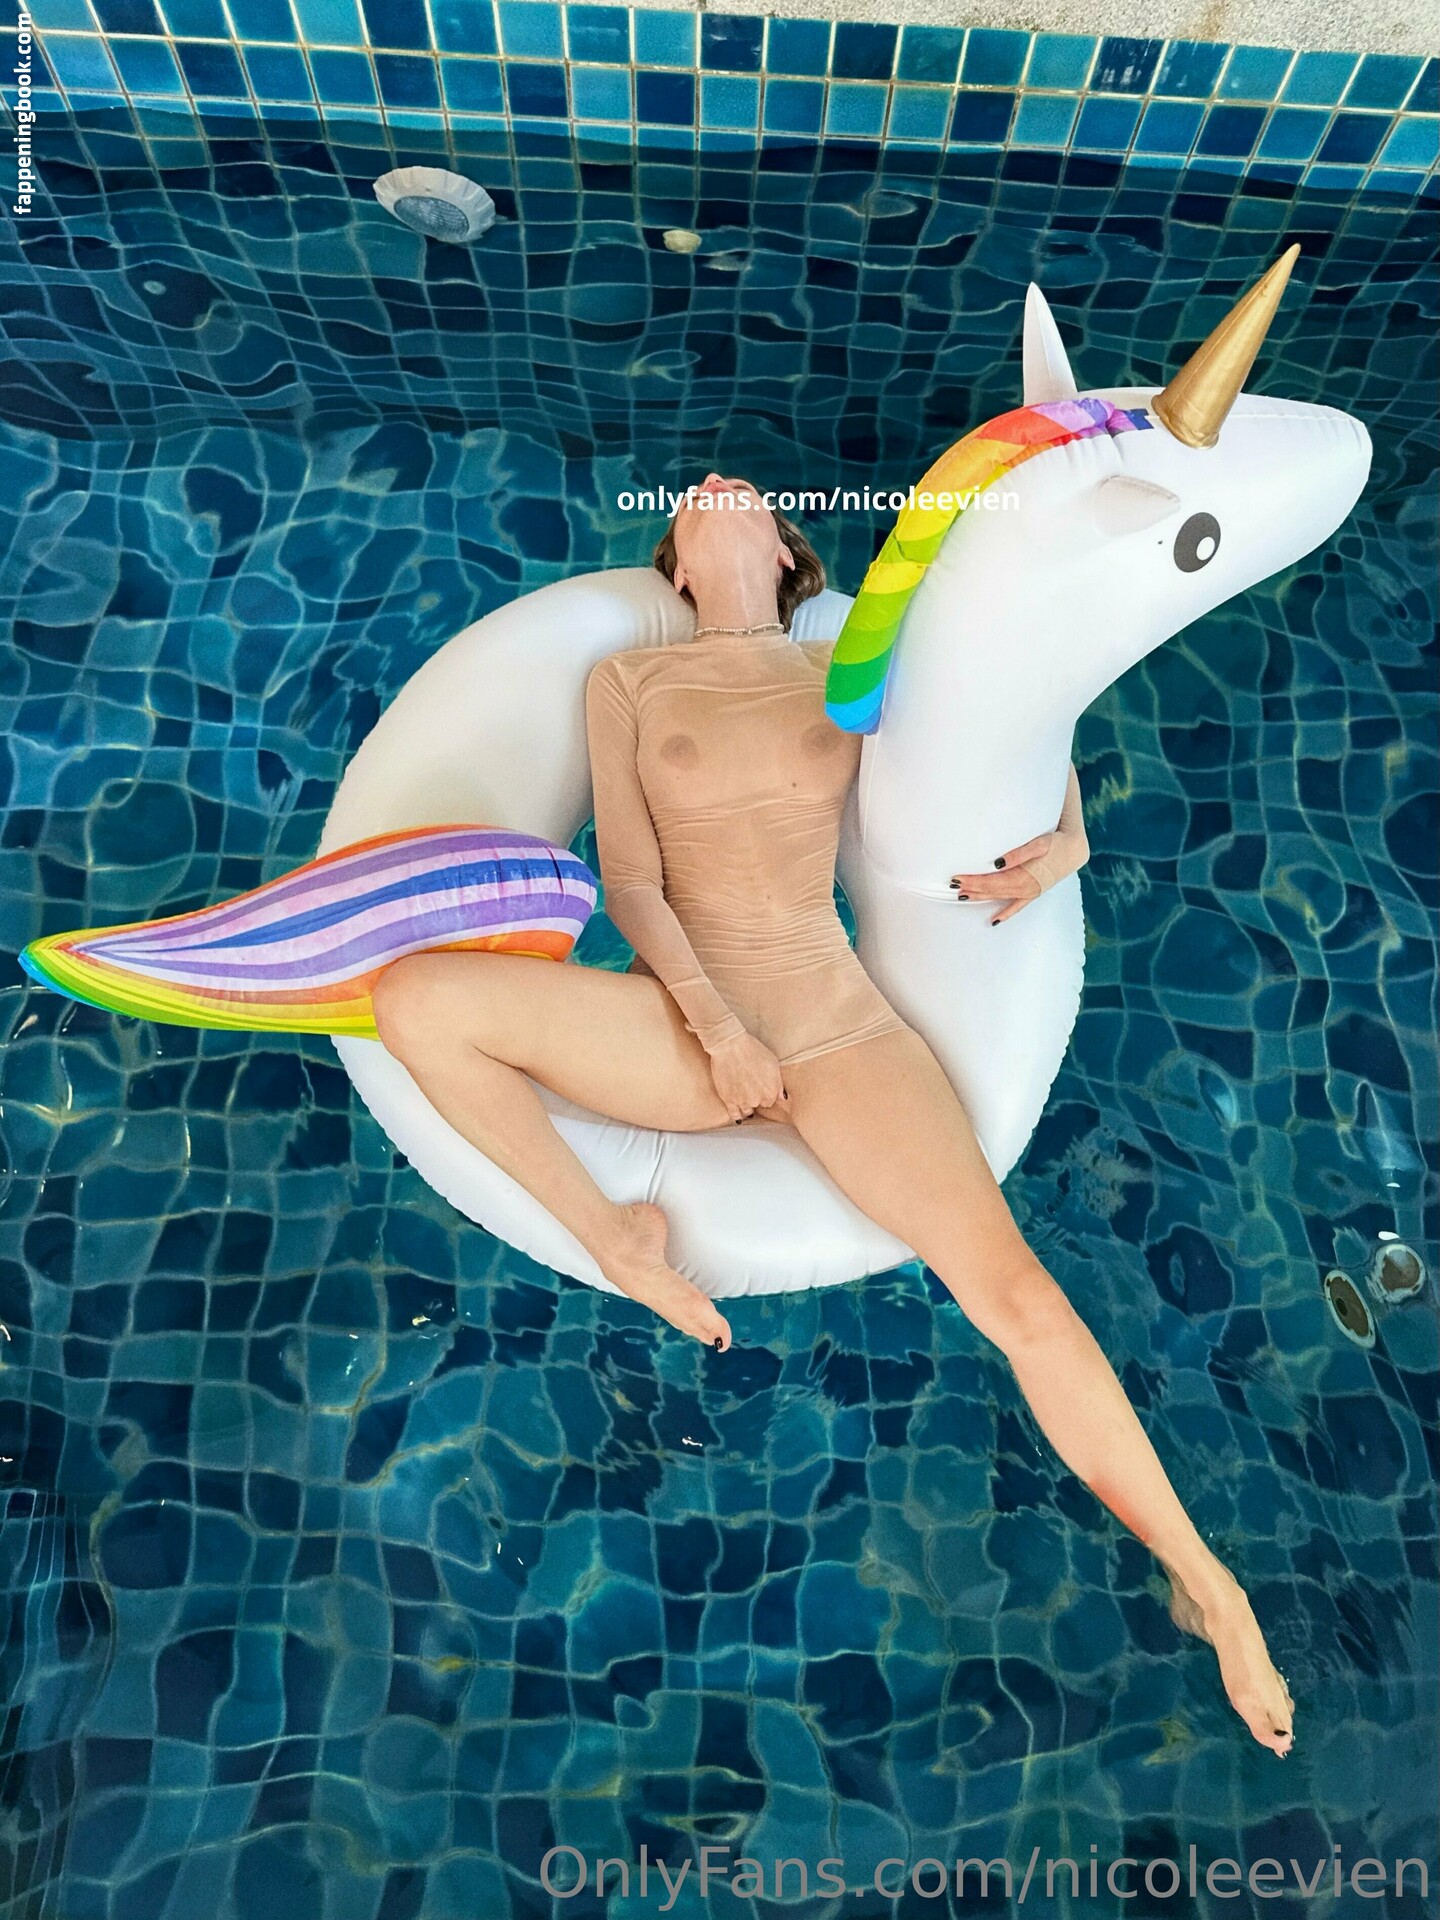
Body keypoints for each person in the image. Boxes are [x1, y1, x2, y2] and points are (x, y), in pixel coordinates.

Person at [372, 475, 1295, 1755]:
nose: (719, 491)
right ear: (678, 565)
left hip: (839, 1021)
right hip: (684, 1021)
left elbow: (1011, 731)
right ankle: (613, 1237)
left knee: (1016, 1295)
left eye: (742, 493)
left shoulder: (847, 670)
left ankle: (1209, 1583)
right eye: (699, 499)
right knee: (414, 1000)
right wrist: (715, 1027)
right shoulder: (630, 683)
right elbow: (631, 885)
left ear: (781, 548)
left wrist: (1074, 836)